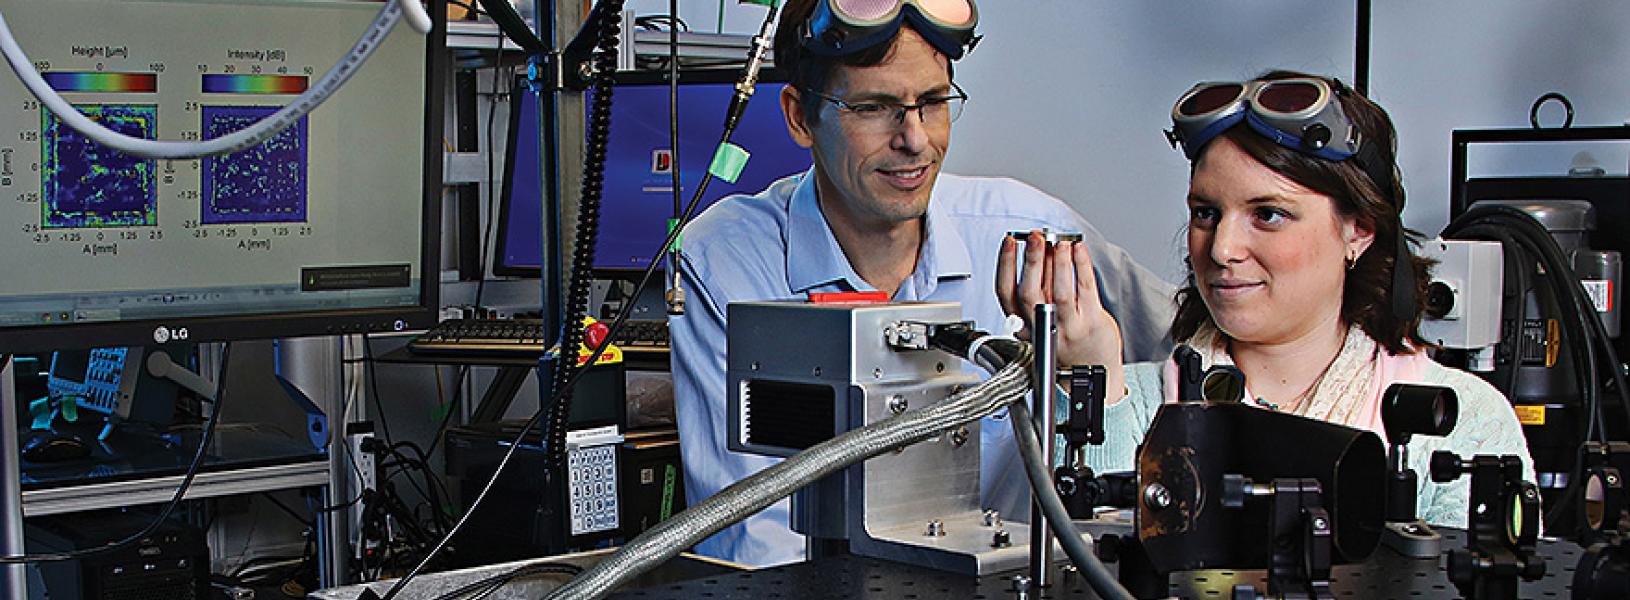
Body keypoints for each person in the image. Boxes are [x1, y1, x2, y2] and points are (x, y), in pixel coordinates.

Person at [668, 0, 1177, 567]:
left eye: (933, 103)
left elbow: (1203, 343)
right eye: (872, 107)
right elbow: (753, 537)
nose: (914, 140)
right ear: (799, 117)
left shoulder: (1031, 235)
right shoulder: (726, 262)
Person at [1000, 71, 1533, 528]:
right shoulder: (1134, 403)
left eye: (1268, 214)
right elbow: (1089, 570)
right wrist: (1091, 381)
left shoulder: (1461, 422)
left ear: (1359, 230)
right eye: (1206, 213)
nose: (1224, 249)